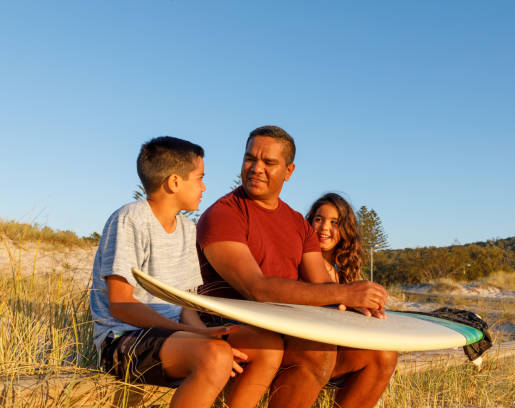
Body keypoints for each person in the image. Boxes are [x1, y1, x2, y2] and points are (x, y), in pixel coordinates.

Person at [196, 126, 396, 408]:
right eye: (250, 158)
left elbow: (321, 287)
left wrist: (357, 303)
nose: (255, 168)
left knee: (382, 354)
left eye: (269, 163)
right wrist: (344, 294)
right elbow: (256, 288)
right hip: (234, 324)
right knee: (317, 352)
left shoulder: (298, 224)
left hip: (289, 325)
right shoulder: (224, 214)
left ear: (288, 171)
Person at [89, 136, 282, 408]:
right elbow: (121, 305)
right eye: (200, 178)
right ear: (174, 182)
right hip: (124, 340)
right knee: (215, 356)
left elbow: (185, 305)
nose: (204, 187)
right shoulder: (130, 218)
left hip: (176, 336)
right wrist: (196, 336)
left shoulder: (187, 229)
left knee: (267, 346)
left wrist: (204, 332)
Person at [306, 192, 398, 403]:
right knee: (382, 355)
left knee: (385, 353)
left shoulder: (341, 269)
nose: (324, 228)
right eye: (318, 219)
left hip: (334, 347)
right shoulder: (302, 259)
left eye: (334, 222)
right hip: (306, 351)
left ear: (346, 229)